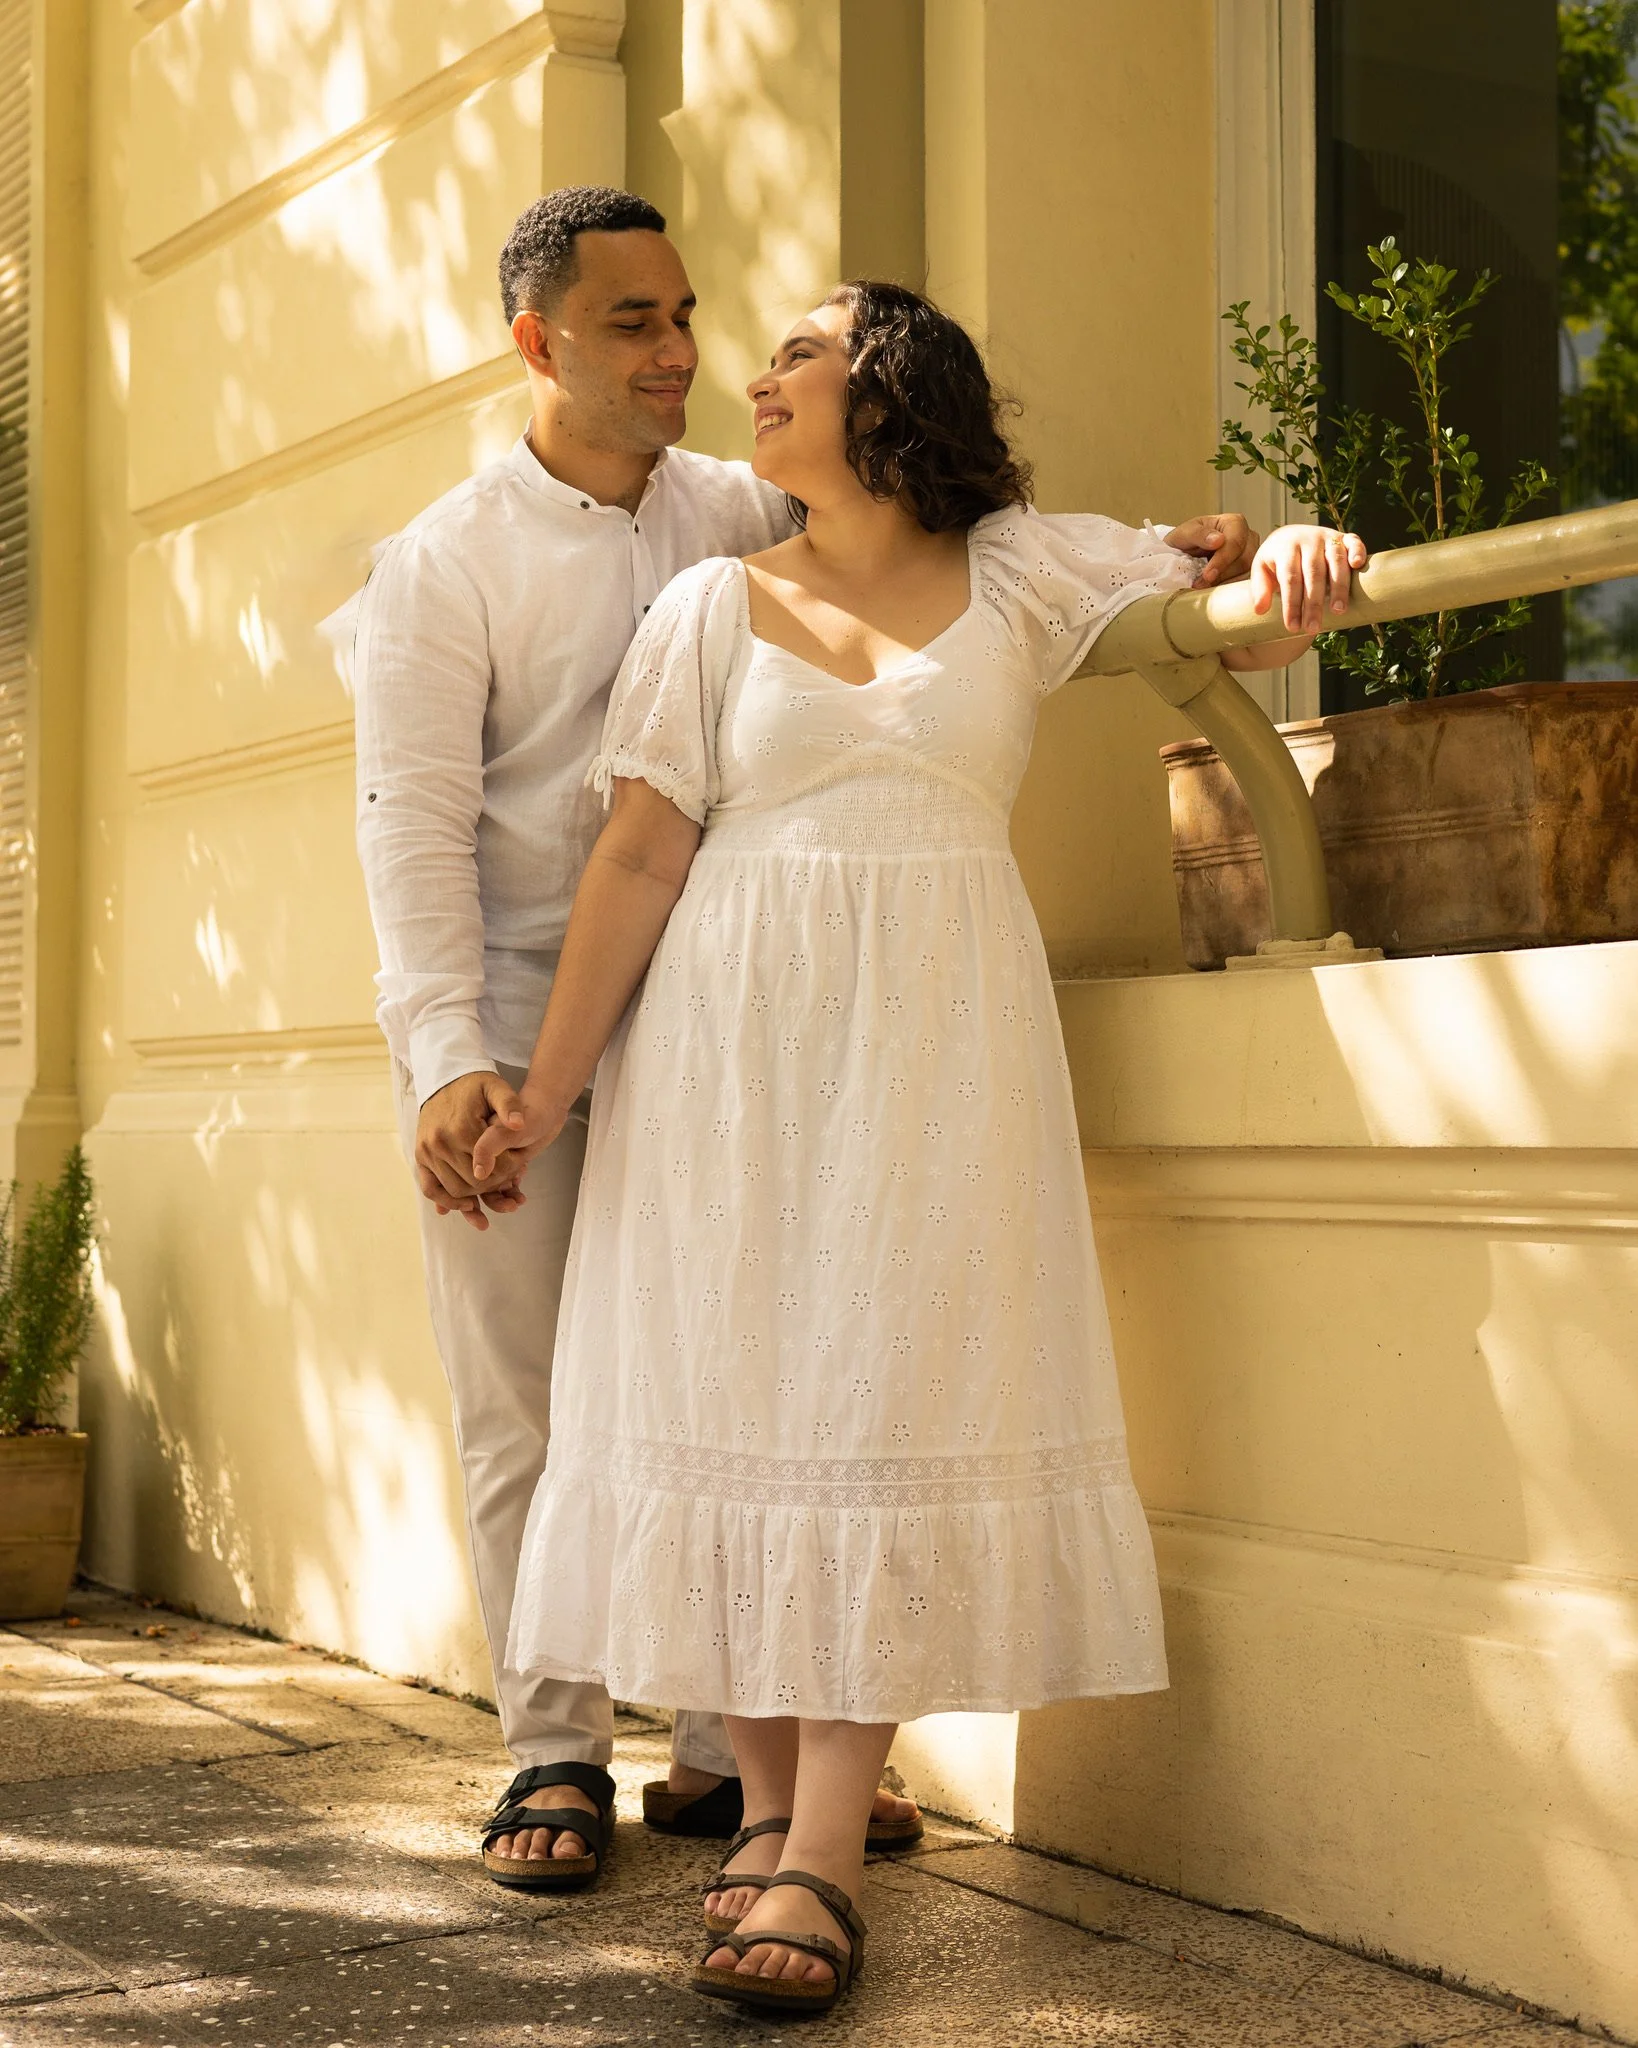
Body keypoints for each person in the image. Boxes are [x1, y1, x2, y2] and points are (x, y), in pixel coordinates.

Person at [352, 186, 1258, 1890]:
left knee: (762, 1366)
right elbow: (410, 824)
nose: (682, 353)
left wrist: (1196, 552)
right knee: (538, 1392)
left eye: (690, 316)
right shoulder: (445, 562)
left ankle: (733, 1771)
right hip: (532, 1000)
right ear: (536, 340)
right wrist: (458, 1059)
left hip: (773, 1007)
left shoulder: (738, 498)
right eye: (634, 322)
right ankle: (555, 1746)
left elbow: (953, 539)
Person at [475, 279, 1366, 2007]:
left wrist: (1291, 549)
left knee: (879, 1401)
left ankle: (817, 1849)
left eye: (797, 354)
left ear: (888, 391)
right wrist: (542, 1094)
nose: (754, 376)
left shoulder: (1018, 568)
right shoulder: (707, 608)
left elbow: (1228, 612)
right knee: (742, 1395)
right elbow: (638, 860)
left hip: (939, 1051)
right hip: (725, 1050)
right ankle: (770, 1818)